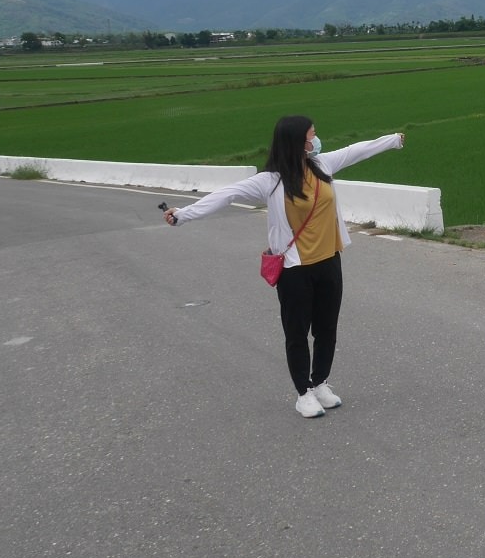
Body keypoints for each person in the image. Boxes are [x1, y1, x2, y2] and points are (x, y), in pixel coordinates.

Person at [164, 116, 405, 418]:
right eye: (312, 135)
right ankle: (303, 392)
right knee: (297, 331)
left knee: (327, 328)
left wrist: (393, 140)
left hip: (329, 261)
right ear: (296, 142)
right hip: (295, 269)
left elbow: (357, 150)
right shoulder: (271, 181)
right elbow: (227, 195)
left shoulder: (323, 165)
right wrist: (183, 214)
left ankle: (320, 383)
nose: (316, 140)